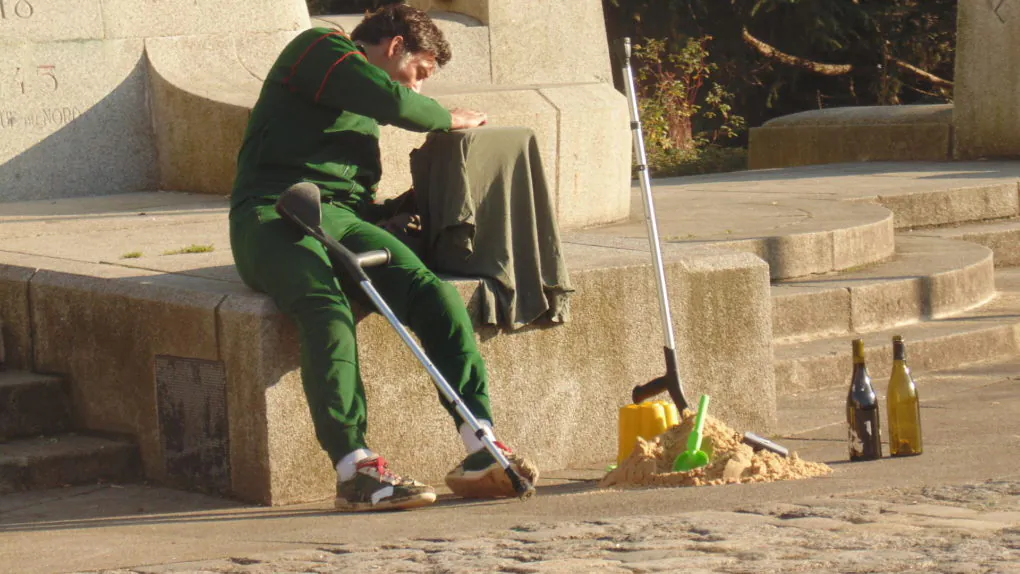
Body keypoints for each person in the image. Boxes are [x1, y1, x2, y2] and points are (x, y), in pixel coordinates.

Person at [229, 5, 537, 511]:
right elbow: (390, 99)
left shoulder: (354, 93)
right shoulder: (319, 49)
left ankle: (479, 443)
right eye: (418, 73)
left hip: (342, 217)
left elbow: (346, 194)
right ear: (395, 46)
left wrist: (397, 209)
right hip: (271, 214)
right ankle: (355, 468)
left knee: (433, 294)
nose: (416, 88)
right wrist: (446, 117)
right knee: (325, 308)